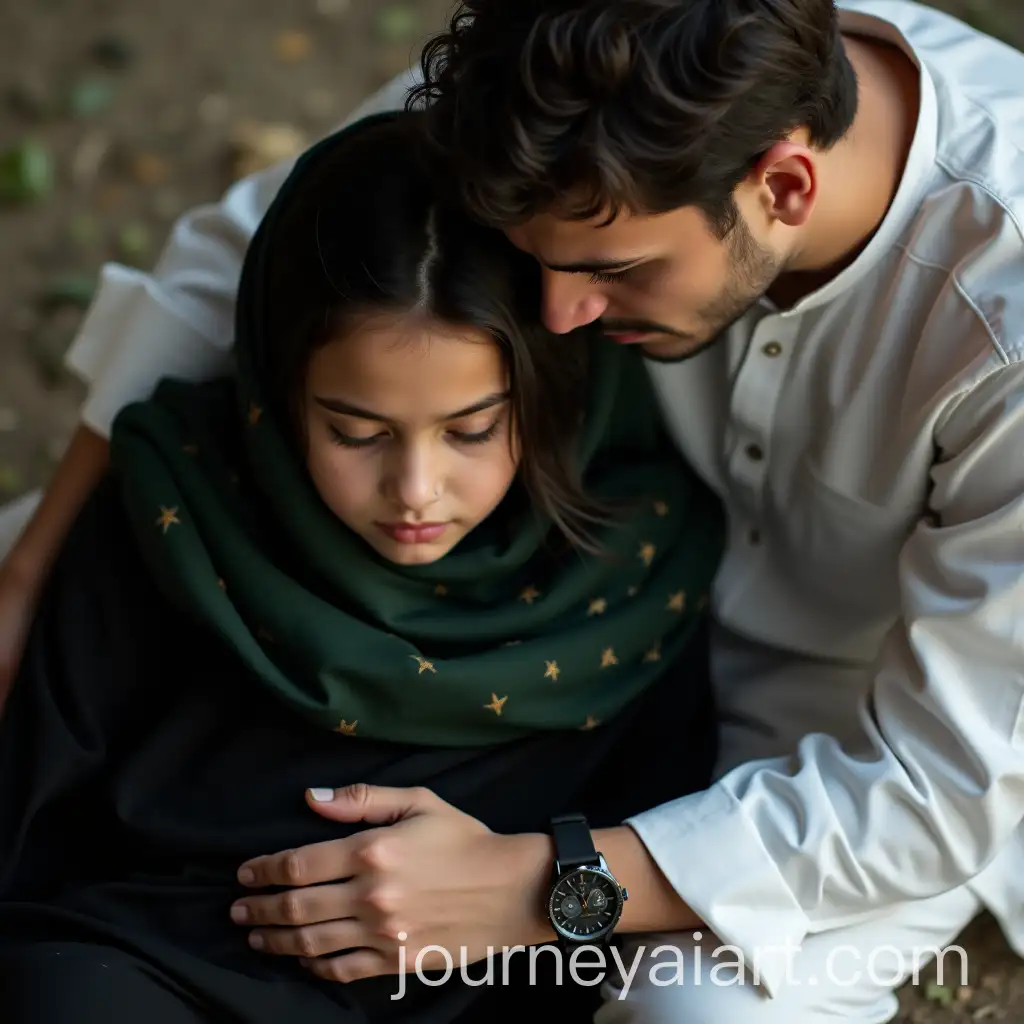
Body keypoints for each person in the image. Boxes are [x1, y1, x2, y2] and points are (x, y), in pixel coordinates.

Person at [2, 0, 1024, 1021]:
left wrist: (536, 887)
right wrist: (21, 584)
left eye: (612, 270)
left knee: (696, 1014)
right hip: (576, 593)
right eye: (538, 258)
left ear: (783, 184)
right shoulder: (578, 75)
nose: (558, 314)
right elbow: (258, 246)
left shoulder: (1005, 323)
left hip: (854, 740)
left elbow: (943, 788)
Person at [0, 112, 722, 1021]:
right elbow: (35, 825)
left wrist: (533, 903)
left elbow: (648, 880)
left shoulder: (629, 576)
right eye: (355, 431)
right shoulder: (179, 511)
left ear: (550, 393)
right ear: (275, 384)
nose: (415, 489)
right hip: (143, 966)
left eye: (471, 430)